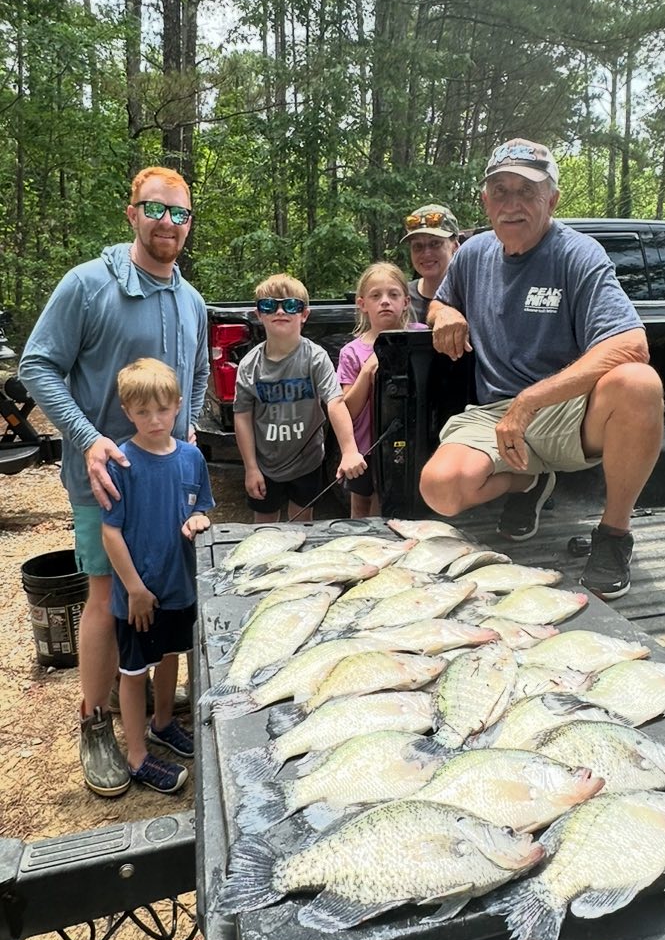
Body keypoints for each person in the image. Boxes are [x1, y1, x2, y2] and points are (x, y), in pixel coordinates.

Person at [19, 166, 209, 797]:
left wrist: (187, 445)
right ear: (132, 213)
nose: (168, 224)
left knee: (164, 594)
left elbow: (199, 377)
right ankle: (94, 722)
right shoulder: (89, 285)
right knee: (108, 600)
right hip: (105, 484)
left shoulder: (191, 301)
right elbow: (37, 366)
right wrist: (90, 438)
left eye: (180, 214)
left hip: (169, 485)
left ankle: (156, 717)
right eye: (156, 210)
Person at [419, 137, 664, 600]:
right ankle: (530, 481)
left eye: (527, 192)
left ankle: (613, 534)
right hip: (494, 413)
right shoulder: (471, 254)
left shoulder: (578, 253)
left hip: (565, 413)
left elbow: (632, 343)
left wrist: (533, 399)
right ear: (485, 200)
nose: (512, 205)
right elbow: (438, 302)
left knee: (638, 382)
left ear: (551, 199)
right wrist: (444, 313)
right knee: (440, 490)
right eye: (501, 191)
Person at [101, 359, 214, 793]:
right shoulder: (121, 463)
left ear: (178, 406)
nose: (154, 420)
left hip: (178, 586)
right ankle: (136, 756)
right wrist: (134, 589)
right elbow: (110, 531)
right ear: (127, 411)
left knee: (170, 657)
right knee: (133, 673)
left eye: (163, 410)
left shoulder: (191, 457)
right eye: (143, 411)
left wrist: (199, 519)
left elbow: (201, 506)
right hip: (138, 595)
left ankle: (163, 722)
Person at [233, 274, 366, 522]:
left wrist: (349, 450)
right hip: (266, 462)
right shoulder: (249, 365)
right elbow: (241, 416)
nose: (280, 311)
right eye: (269, 305)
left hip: (308, 460)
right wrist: (250, 468)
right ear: (259, 314)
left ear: (304, 314)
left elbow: (335, 402)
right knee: (264, 527)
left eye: (291, 305)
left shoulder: (315, 357)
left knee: (302, 526)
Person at [337, 262, 411, 518]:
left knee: (391, 501)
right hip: (366, 446)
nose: (385, 302)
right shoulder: (352, 353)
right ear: (362, 304)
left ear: (406, 301)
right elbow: (349, 409)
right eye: (376, 296)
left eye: (393, 294)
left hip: (409, 443)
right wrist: (368, 371)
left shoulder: (422, 337)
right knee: (361, 503)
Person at [401, 204, 460, 323]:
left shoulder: (470, 295)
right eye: (418, 246)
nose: (426, 253)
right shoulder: (399, 298)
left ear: (455, 247)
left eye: (435, 243)